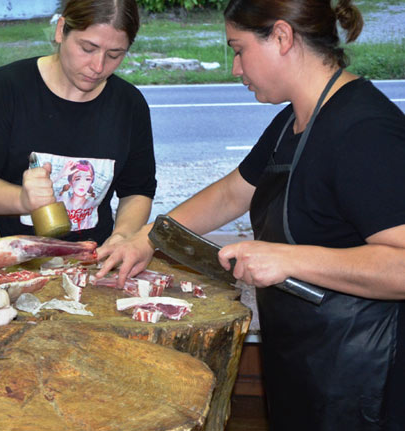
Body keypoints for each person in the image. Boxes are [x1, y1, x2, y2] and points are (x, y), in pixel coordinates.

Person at [97, 0, 405, 429]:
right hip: (303, 357)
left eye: (238, 50)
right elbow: (230, 194)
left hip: (360, 377)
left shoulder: (364, 130)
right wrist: (148, 237)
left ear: (281, 37)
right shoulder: (292, 121)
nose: (235, 69)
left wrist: (287, 258)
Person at [0, 0, 157, 246]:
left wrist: (122, 236)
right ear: (61, 30)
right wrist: (22, 199)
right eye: (87, 48)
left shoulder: (130, 105)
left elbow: (137, 190)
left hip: (88, 258)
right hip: (9, 257)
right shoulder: (7, 88)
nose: (98, 66)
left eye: (114, 55)